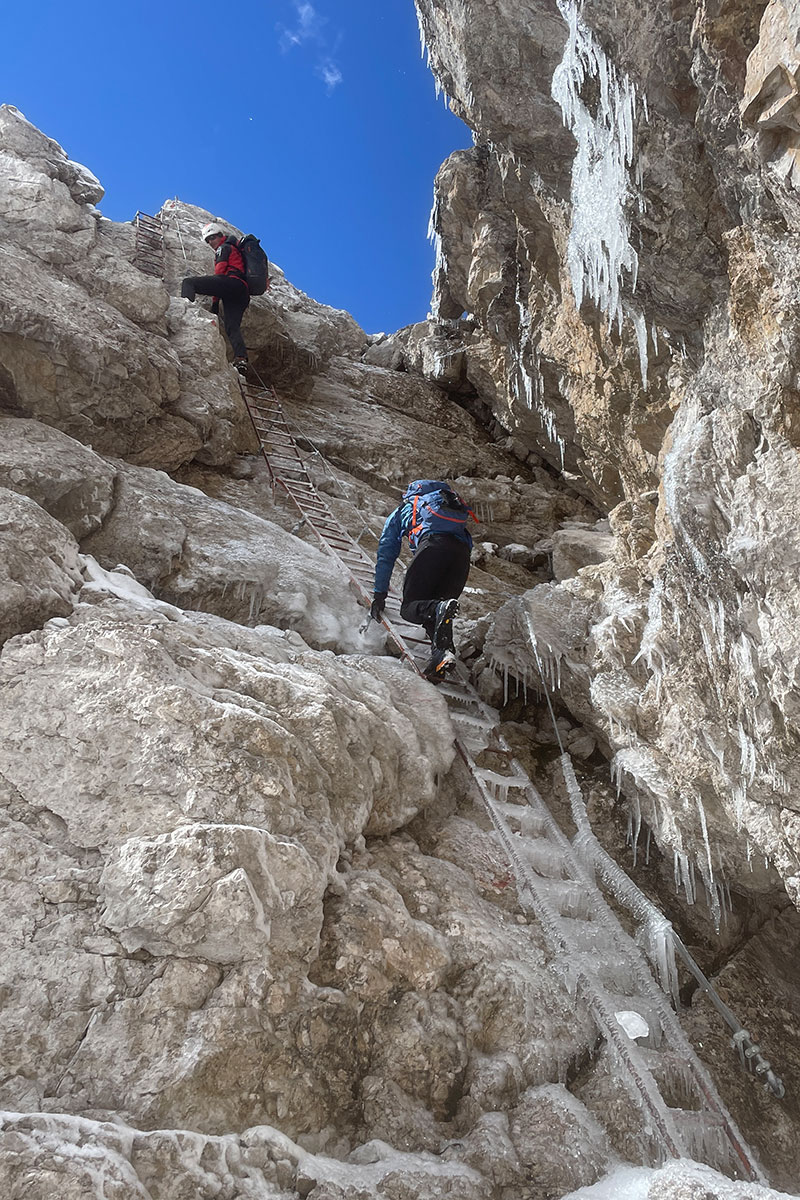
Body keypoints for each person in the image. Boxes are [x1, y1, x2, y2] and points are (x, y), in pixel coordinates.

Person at [371, 479, 473, 680]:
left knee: (410, 608)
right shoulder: (450, 505)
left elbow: (386, 551)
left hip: (432, 547)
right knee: (437, 610)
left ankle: (440, 624)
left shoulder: (407, 508)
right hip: (461, 557)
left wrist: (380, 594)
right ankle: (442, 656)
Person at [181, 222, 249, 374]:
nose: (210, 242)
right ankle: (241, 359)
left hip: (231, 283)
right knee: (232, 327)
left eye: (212, 238)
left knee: (189, 282)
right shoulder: (235, 248)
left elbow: (219, 274)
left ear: (220, 236)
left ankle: (184, 310)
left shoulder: (223, 248)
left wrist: (214, 303)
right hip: (242, 292)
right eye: (208, 240)